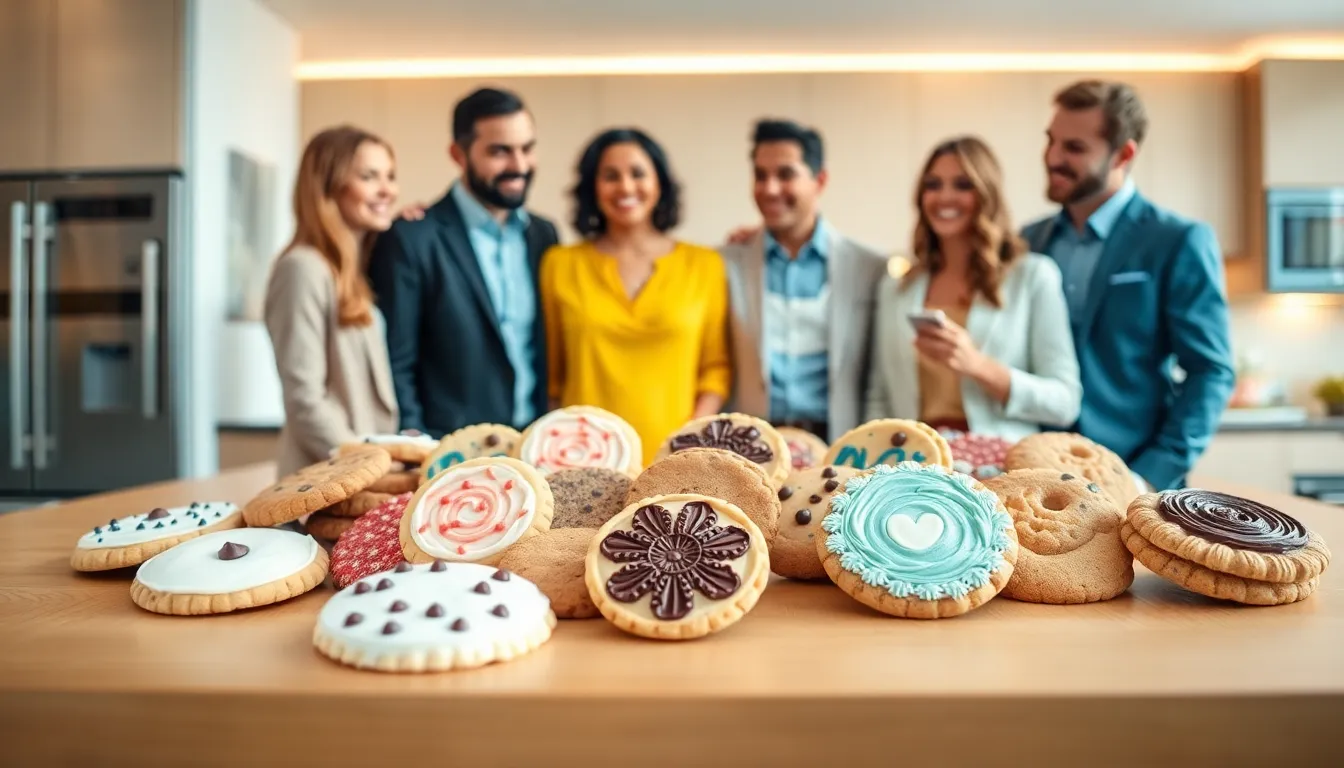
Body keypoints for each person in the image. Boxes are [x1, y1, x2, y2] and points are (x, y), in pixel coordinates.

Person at [1021, 80, 1234, 491]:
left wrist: (1151, 474)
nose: (1053, 158)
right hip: (1039, 478)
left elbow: (1211, 371)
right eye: (1051, 142)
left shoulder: (1178, 240)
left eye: (1074, 148)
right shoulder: (1028, 242)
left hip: (1133, 478)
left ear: (1124, 153)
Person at [367, 87, 560, 437]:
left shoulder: (544, 235)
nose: (519, 165)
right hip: (448, 448)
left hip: (534, 443)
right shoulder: (413, 237)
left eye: (526, 148)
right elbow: (397, 359)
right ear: (458, 154)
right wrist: (413, 445)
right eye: (500, 151)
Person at [864, 136, 1081, 440]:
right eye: (933, 184)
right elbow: (878, 398)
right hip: (913, 466)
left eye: (963, 185)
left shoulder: (1032, 276)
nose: (944, 197)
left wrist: (978, 365)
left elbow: (1064, 402)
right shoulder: (895, 288)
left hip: (999, 464)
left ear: (986, 194)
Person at [540, 128, 732, 464]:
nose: (626, 187)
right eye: (610, 176)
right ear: (592, 188)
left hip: (678, 459)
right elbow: (551, 379)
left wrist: (687, 443)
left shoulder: (704, 265)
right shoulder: (559, 264)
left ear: (660, 183)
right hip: (583, 462)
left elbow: (715, 370)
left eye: (638, 173)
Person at [719, 119, 888, 443]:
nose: (769, 189)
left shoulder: (869, 267)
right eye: (760, 175)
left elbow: (877, 376)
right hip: (751, 446)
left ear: (819, 180)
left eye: (785, 174)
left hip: (840, 445)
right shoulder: (728, 264)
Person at [264, 125, 400, 476]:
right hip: (327, 481)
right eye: (370, 177)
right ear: (327, 185)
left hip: (359, 475)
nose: (388, 190)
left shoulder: (346, 270)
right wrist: (369, 468)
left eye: (390, 176)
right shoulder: (302, 268)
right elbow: (305, 399)